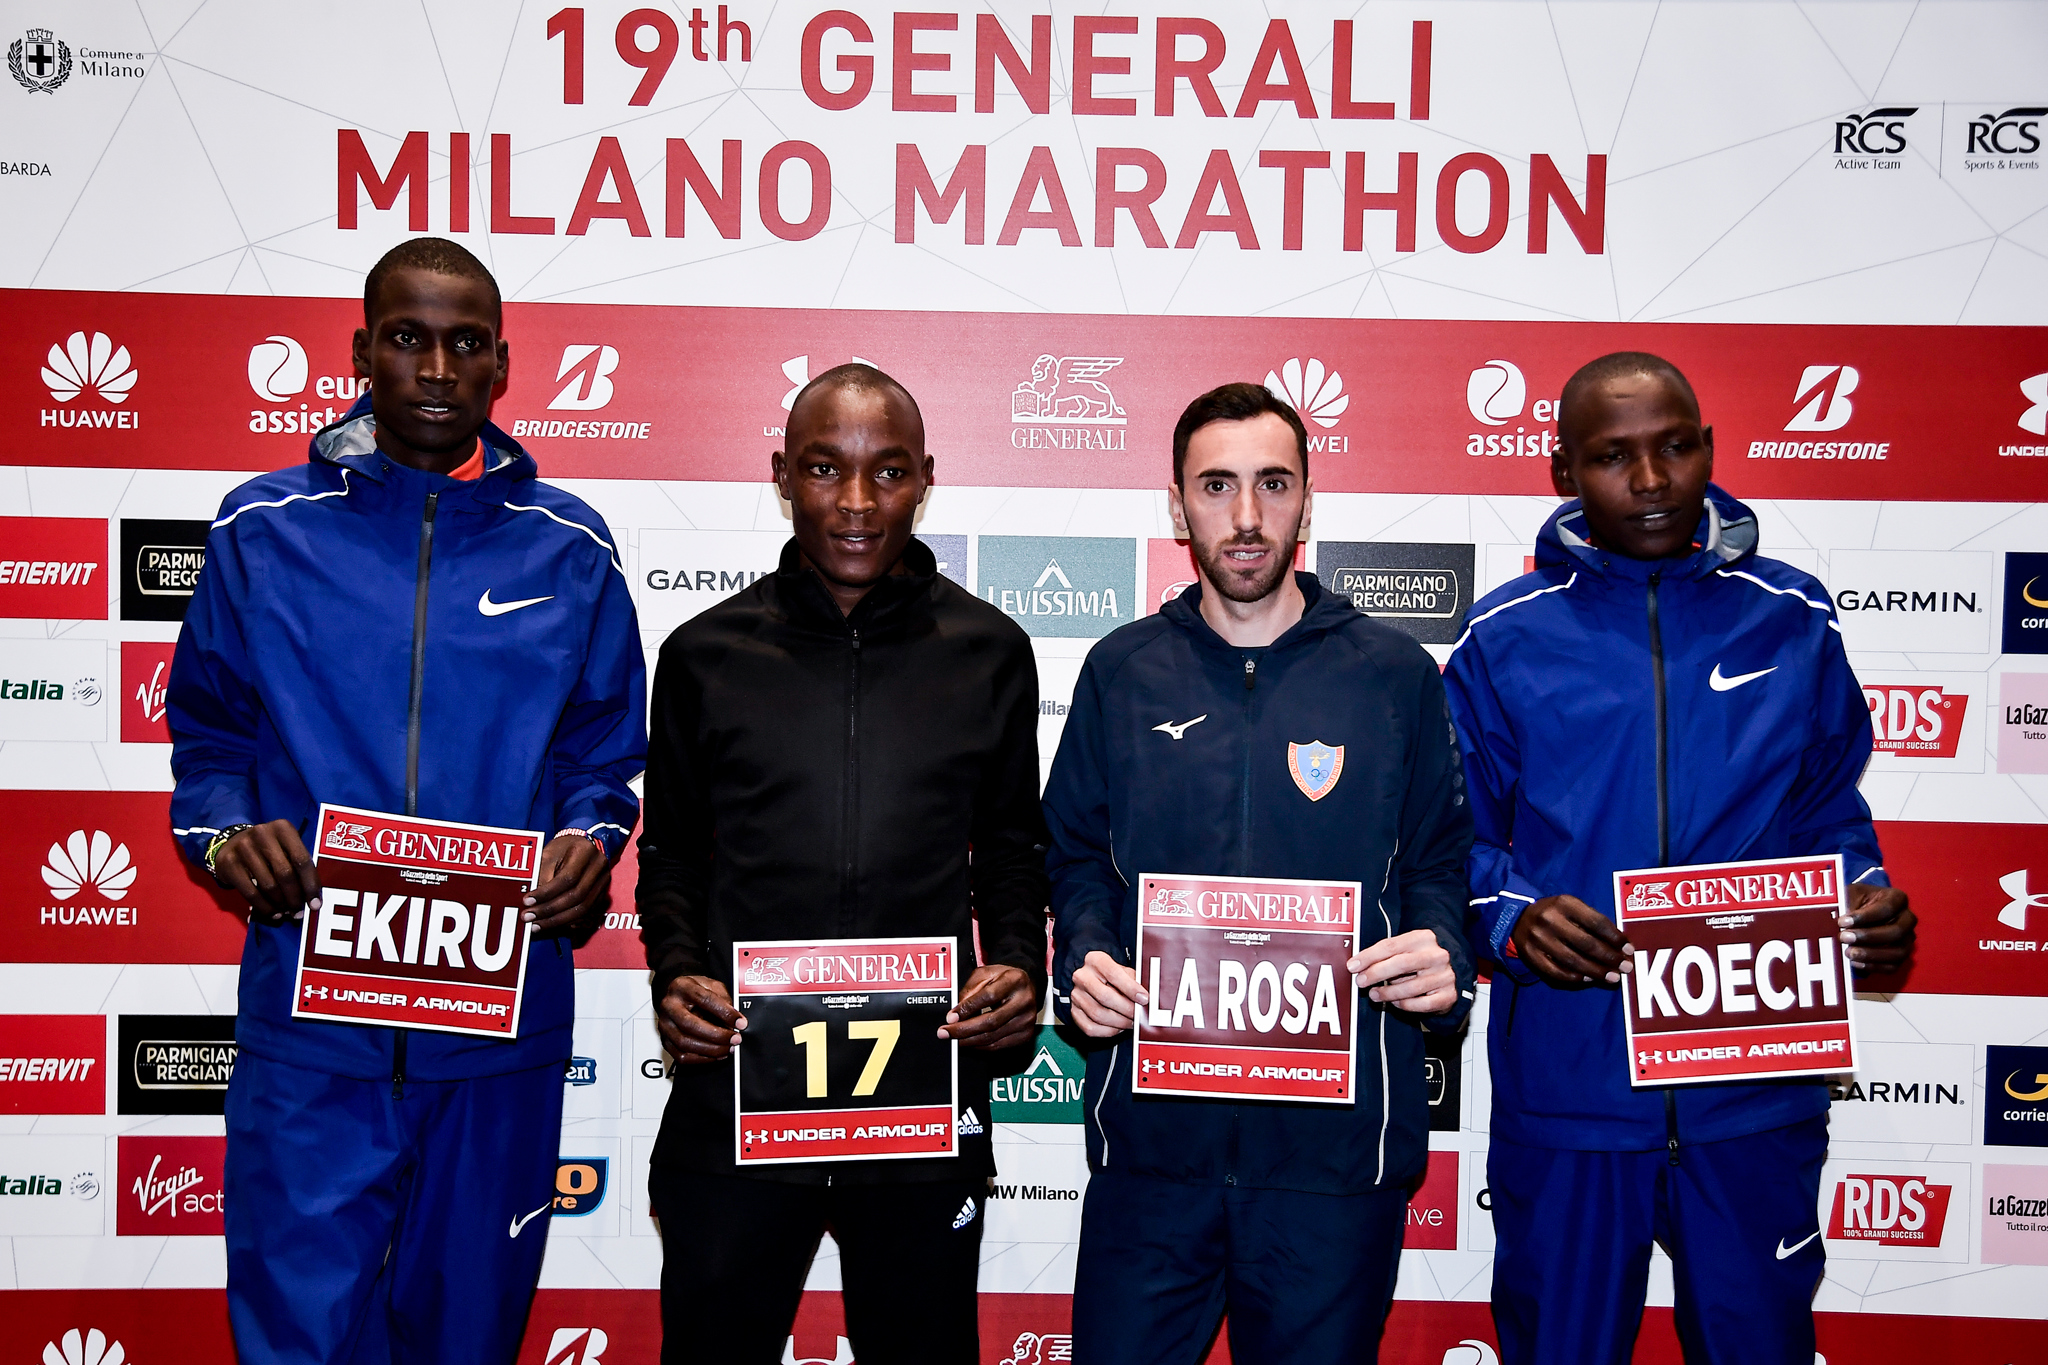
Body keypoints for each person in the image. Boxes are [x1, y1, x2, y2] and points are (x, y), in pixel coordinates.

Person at [167, 238, 646, 1365]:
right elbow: (210, 736)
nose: (436, 368)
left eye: (465, 344)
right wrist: (227, 835)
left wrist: (587, 840)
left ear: (502, 367)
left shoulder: (569, 546)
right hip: (312, 1027)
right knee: (298, 1342)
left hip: (497, 1028)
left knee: (465, 1340)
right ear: (360, 353)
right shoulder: (260, 528)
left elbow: (600, 758)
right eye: (407, 339)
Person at [1442, 352, 1916, 1365]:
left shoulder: (1792, 616)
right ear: (1564, 471)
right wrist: (1513, 916)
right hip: (1570, 1087)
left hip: (1754, 1087)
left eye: (1674, 447)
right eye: (1613, 457)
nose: (1651, 480)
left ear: (1709, 449)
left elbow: (1825, 810)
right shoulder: (1502, 636)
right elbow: (1447, 847)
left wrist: (1864, 894)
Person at [1045, 381, 1477, 1364]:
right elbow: (1073, 854)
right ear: (1177, 505)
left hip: (1333, 1168)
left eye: (1272, 484)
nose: (1245, 516)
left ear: (1307, 502)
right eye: (1216, 486)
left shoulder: (1393, 675)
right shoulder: (1122, 671)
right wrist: (1087, 954)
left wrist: (1444, 952)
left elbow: (1439, 862)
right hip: (1153, 1157)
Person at [637, 364, 1049, 1365]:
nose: (857, 502)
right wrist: (676, 972)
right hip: (737, 1088)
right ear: (782, 475)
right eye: (825, 469)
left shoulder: (990, 649)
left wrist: (1019, 968)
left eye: (888, 472)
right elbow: (671, 852)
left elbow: (1009, 849)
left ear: (926, 481)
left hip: (919, 1103)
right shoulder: (703, 653)